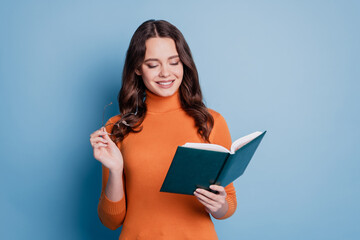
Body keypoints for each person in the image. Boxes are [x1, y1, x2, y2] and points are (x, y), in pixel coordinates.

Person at [89, 19, 237, 239]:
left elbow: (229, 205)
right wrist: (116, 170)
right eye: (153, 64)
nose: (166, 73)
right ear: (138, 68)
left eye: (174, 62)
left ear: (184, 64)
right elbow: (111, 221)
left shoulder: (210, 122)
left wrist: (218, 205)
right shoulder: (117, 128)